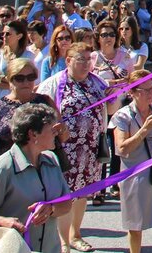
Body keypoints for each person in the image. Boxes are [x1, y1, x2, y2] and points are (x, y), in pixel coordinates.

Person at [36, 42, 107, 253]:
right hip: (64, 149)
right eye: (80, 59)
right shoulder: (54, 83)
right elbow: (40, 110)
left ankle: (76, 234)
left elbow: (110, 108)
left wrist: (114, 93)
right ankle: (63, 240)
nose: (86, 64)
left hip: (90, 148)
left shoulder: (97, 83)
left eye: (88, 59)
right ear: (68, 61)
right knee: (65, 193)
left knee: (83, 192)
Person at [0, 103, 72, 253]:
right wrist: (3, 222)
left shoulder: (52, 159)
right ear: (33, 134)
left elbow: (66, 203)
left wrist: (51, 209)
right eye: (52, 129)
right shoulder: (2, 168)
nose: (56, 133)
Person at [112, 70, 152, 253]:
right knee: (135, 226)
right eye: (144, 90)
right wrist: (143, 131)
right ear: (132, 92)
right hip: (134, 176)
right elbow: (122, 149)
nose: (149, 94)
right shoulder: (122, 116)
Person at [0, 58, 58, 181]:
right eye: (19, 78)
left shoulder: (46, 101)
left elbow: (63, 136)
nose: (26, 82)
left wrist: (60, 130)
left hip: (44, 171)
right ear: (9, 79)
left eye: (31, 77)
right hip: (9, 174)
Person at [93, 19, 134, 198]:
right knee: (101, 147)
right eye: (104, 35)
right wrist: (108, 84)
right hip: (99, 108)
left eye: (111, 34)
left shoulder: (125, 56)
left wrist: (115, 85)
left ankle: (115, 182)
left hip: (119, 106)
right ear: (98, 38)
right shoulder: (93, 58)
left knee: (118, 145)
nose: (108, 38)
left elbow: (131, 79)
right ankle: (99, 188)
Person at [0, 20, 34, 108]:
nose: (4, 36)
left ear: (19, 36)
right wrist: (12, 83)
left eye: (8, 34)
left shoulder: (28, 56)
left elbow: (24, 82)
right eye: (3, 34)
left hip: (18, 102)